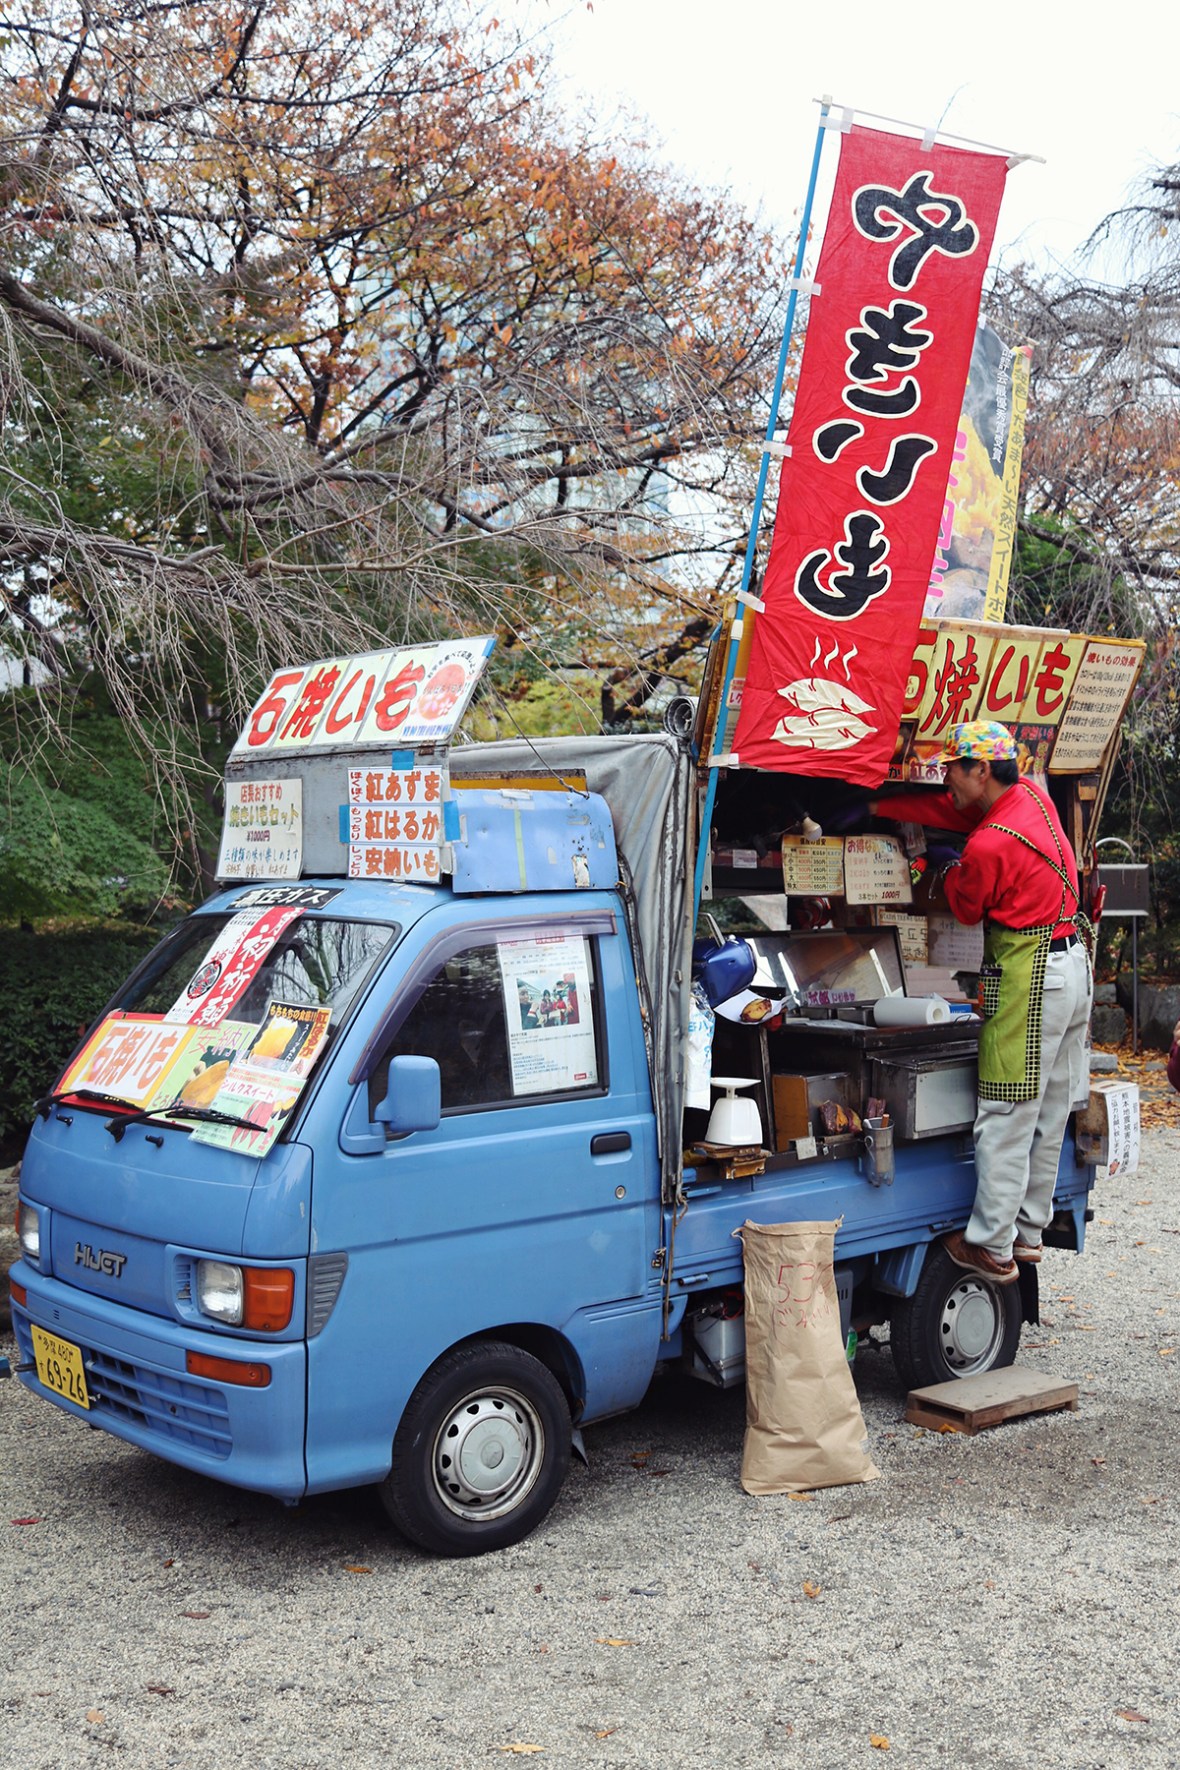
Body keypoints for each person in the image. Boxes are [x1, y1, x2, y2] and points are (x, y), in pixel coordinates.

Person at [872, 720, 1093, 1285]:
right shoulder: (1033, 800)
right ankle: (1028, 1232)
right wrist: (887, 806)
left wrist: (941, 867)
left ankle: (991, 1245)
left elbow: (966, 907)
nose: (945, 778)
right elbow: (959, 813)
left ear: (980, 770)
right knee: (1047, 1110)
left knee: (1005, 1110)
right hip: (1072, 966)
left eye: (952, 768)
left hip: (1032, 977)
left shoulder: (991, 844)